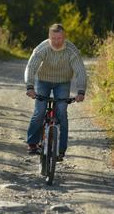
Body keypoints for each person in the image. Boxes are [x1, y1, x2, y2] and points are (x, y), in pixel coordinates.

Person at [24, 23, 87, 161]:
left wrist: (81, 91)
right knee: (40, 111)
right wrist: (30, 86)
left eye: (60, 38)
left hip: (63, 82)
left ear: (64, 37)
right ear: (49, 37)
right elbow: (31, 66)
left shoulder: (71, 50)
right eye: (54, 38)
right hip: (43, 81)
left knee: (62, 113)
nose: (57, 41)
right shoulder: (42, 48)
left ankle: (61, 149)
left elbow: (80, 71)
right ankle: (32, 143)